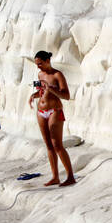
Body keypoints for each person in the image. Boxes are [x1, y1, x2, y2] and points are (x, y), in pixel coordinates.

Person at [28, 49, 75, 187]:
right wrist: (34, 95)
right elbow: (43, 91)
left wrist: (51, 88)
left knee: (57, 145)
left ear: (48, 61)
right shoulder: (40, 74)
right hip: (41, 111)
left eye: (40, 63)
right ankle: (55, 176)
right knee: (48, 145)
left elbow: (66, 95)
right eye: (37, 64)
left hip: (55, 110)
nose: (38, 66)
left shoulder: (57, 75)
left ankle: (70, 176)